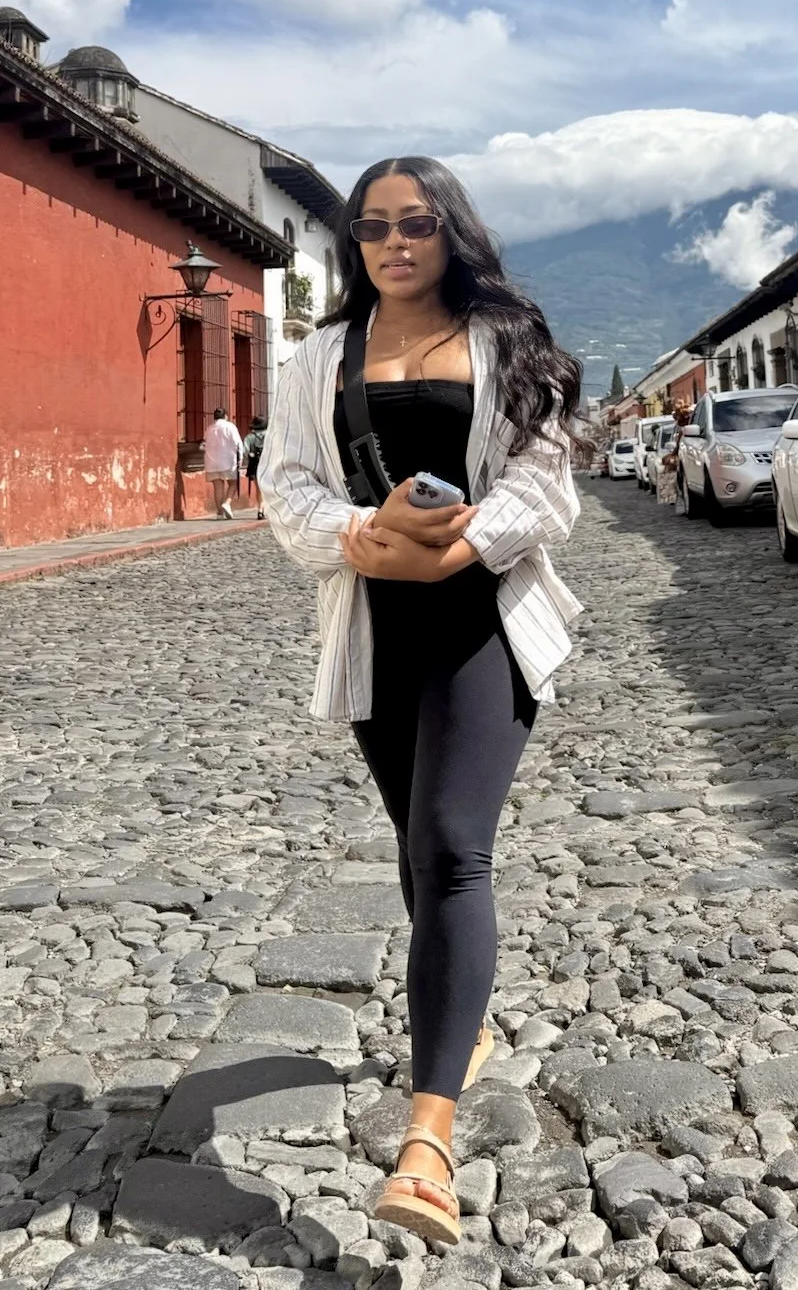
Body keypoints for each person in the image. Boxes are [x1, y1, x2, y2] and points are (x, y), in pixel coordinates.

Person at [259, 157, 582, 1248]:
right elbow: (288, 480)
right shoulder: (316, 356)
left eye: (419, 223)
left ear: (454, 233)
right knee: (415, 846)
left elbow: (547, 484)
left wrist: (461, 545)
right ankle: (463, 1023)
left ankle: (427, 1142)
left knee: (451, 845)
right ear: (354, 240)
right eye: (375, 225)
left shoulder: (505, 347)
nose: (396, 242)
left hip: (481, 618)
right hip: (375, 628)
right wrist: (364, 535)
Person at [202, 406, 245, 518]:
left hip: (212, 462)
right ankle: (227, 503)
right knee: (233, 484)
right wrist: (240, 458)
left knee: (218, 487)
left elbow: (204, 443)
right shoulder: (230, 427)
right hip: (228, 461)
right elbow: (238, 443)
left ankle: (219, 513)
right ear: (225, 416)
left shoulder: (209, 429)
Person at [242, 415, 267, 519]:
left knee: (258, 488)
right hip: (267, 463)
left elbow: (245, 451)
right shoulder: (270, 435)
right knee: (266, 488)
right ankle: (263, 509)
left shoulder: (249, 437)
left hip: (254, 464)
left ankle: (260, 509)